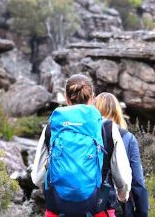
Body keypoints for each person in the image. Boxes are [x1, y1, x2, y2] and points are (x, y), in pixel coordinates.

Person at [31, 74, 132, 217]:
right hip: (97, 209)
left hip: (57, 211)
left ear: (66, 98)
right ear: (92, 98)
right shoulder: (107, 128)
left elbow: (37, 177)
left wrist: (55, 191)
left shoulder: (52, 127)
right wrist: (122, 196)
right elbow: (122, 177)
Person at [95, 92, 149, 217]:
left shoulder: (87, 135)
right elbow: (137, 181)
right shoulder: (127, 138)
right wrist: (142, 212)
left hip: (88, 202)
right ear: (117, 111)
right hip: (118, 207)